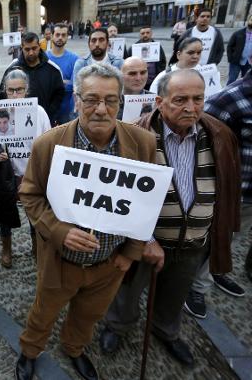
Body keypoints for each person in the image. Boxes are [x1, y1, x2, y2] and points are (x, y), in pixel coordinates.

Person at [14, 63, 156, 380]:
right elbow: (30, 195)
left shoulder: (143, 143)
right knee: (43, 313)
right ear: (76, 100)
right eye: (91, 99)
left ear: (121, 101)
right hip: (61, 262)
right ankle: (29, 350)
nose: (101, 109)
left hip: (109, 264)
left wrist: (129, 254)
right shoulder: (48, 145)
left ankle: (74, 349)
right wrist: (60, 231)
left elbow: (146, 205)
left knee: (88, 316)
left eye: (110, 100)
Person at [100, 69, 241, 367]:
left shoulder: (218, 134)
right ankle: (117, 326)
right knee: (126, 290)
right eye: (181, 100)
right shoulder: (133, 136)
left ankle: (166, 331)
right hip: (142, 243)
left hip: (192, 242)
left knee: (175, 294)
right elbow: (120, 197)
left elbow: (227, 184)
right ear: (160, 102)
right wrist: (146, 239)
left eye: (198, 99)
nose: (191, 107)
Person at [0, 69, 51, 267]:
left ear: (27, 90)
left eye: (19, 90)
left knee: (34, 214)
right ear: (5, 91)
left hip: (32, 174)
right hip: (7, 173)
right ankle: (6, 249)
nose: (15, 95)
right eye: (11, 91)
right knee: (6, 213)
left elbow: (48, 141)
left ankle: (36, 246)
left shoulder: (39, 112)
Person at [204, 65, 252, 283]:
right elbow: (202, 147)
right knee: (212, 240)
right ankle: (196, 287)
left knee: (229, 240)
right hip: (231, 193)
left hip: (249, 196)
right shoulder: (227, 99)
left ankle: (215, 272)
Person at [0, 32, 65, 123]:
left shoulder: (53, 69)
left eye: (34, 48)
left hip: (44, 121)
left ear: (39, 46)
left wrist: (49, 115)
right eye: (27, 49)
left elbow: (59, 94)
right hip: (18, 122)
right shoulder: (12, 68)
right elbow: (2, 93)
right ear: (22, 49)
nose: (31, 53)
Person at [47, 23, 80, 124]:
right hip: (48, 109)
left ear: (67, 37)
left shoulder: (74, 59)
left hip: (67, 111)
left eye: (63, 35)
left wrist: (56, 83)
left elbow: (76, 86)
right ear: (52, 36)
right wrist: (63, 83)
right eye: (57, 34)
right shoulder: (44, 58)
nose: (60, 38)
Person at [226, 14, 252, 84]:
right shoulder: (238, 33)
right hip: (236, 61)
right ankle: (227, 94)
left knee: (245, 81)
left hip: (249, 63)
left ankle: (241, 94)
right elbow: (229, 46)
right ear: (248, 21)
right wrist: (230, 58)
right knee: (232, 80)